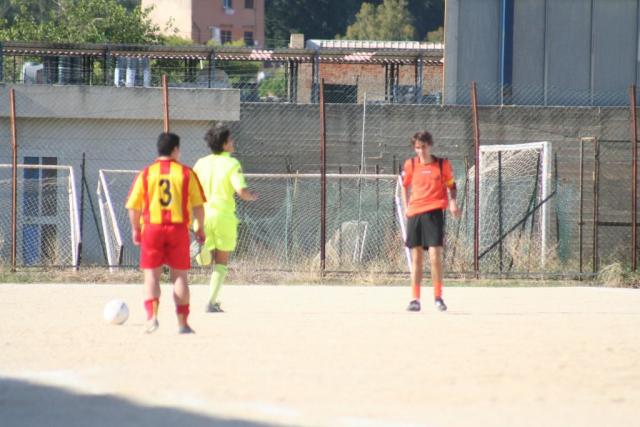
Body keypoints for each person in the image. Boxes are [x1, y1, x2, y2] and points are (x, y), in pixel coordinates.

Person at [126, 132, 206, 333]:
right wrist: (200, 228)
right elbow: (198, 205)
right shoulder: (186, 173)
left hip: (152, 228)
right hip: (178, 229)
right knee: (180, 277)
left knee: (151, 275)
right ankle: (182, 324)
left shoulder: (146, 173)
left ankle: (152, 318)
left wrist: (135, 229)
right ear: (176, 150)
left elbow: (133, 207)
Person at [194, 126, 257, 313]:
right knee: (221, 263)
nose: (233, 142)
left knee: (206, 257)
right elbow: (241, 191)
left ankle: (202, 252)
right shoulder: (232, 164)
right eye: (230, 139)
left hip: (202, 215)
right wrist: (251, 196)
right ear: (224, 144)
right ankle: (211, 302)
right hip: (223, 217)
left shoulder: (200, 163)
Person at [401, 131, 460, 312]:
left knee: (435, 255)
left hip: (434, 212)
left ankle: (438, 297)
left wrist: (452, 203)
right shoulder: (411, 164)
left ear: (430, 145)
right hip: (415, 213)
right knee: (417, 257)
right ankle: (415, 299)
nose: (421, 151)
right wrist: (406, 207)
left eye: (423, 147)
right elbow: (404, 185)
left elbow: (452, 185)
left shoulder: (442, 164)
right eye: (417, 148)